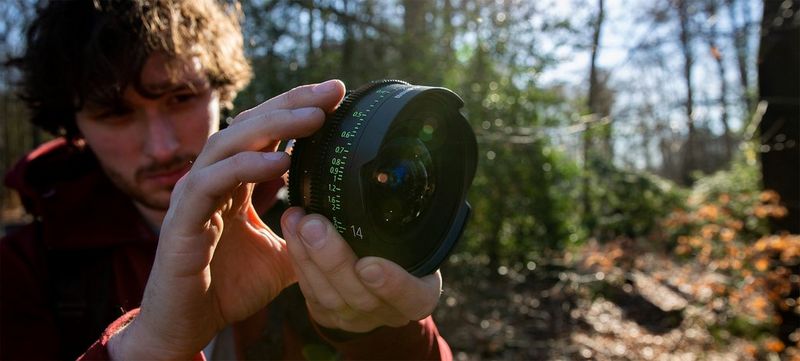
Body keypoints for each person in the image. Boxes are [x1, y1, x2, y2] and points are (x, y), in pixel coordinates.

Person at [0, 0, 452, 360]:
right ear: (74, 125)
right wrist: (144, 349)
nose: (161, 146)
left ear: (219, 90)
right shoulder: (24, 270)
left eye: (181, 97)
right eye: (115, 113)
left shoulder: (310, 216)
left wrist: (377, 332)